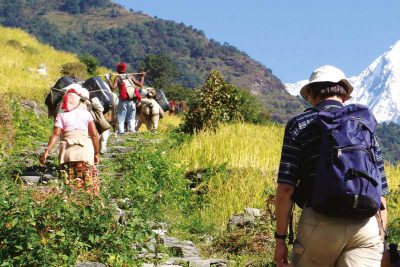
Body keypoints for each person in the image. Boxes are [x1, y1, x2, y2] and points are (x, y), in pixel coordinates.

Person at [273, 65, 389, 267]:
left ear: (310, 94)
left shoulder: (300, 124)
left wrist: (280, 239)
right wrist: (380, 238)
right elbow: (381, 195)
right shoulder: (363, 125)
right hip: (365, 225)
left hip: (320, 221)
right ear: (344, 94)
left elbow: (286, 188)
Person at [40, 88, 100, 195]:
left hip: (68, 152)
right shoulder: (86, 114)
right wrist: (96, 152)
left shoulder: (61, 116)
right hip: (85, 151)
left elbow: (56, 134)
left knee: (69, 181)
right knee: (88, 181)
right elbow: (94, 134)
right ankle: (90, 201)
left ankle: (70, 201)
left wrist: (47, 151)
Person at [106, 62, 145, 134]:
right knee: (132, 118)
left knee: (121, 118)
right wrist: (142, 77)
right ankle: (132, 132)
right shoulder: (130, 76)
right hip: (132, 101)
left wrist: (108, 79)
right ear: (125, 69)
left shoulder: (117, 77)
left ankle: (121, 133)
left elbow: (113, 88)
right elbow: (141, 85)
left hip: (123, 101)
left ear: (118, 69)